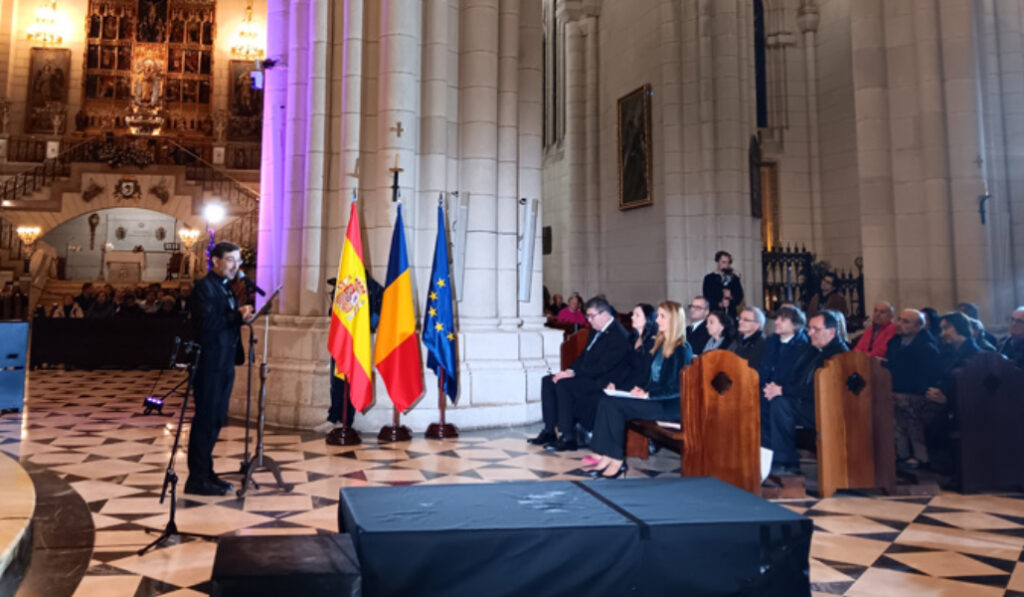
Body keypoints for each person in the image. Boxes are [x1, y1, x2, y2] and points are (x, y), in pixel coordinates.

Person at [586, 300, 694, 478]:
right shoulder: (661, 344)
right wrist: (641, 389)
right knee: (606, 401)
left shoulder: (681, 348)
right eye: (658, 315)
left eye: (662, 316)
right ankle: (604, 455)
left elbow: (677, 387)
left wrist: (648, 394)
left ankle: (617, 460)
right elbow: (653, 379)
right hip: (655, 400)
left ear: (673, 321)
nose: (657, 320)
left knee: (615, 406)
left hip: (668, 406)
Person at [186, 241, 255, 496]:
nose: (235, 266)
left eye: (238, 261)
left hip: (224, 361)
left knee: (216, 419)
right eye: (229, 260)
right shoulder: (203, 288)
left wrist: (241, 315)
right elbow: (207, 323)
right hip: (209, 363)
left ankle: (207, 471)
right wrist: (238, 315)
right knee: (205, 419)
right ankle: (196, 478)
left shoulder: (226, 288)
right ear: (215, 261)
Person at [528, 296, 632, 451]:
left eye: (592, 316)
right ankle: (549, 430)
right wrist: (569, 370)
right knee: (548, 380)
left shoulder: (618, 336)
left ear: (604, 314)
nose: (589, 320)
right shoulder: (597, 330)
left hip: (603, 381)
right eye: (588, 316)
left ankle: (568, 436)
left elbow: (603, 367)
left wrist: (573, 375)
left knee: (564, 384)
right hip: (589, 375)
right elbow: (584, 355)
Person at [762, 310, 849, 476]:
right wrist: (774, 386)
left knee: (781, 404)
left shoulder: (840, 354)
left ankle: (786, 462)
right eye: (810, 329)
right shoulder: (812, 349)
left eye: (816, 329)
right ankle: (768, 457)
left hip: (827, 408)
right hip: (806, 403)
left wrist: (783, 390)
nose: (810, 333)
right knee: (767, 399)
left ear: (831, 331)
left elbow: (821, 387)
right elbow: (794, 375)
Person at [314, 275, 384, 434]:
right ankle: (333, 418)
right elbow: (333, 312)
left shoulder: (370, 287)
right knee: (336, 380)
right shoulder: (345, 281)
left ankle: (346, 420)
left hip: (355, 340)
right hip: (341, 338)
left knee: (350, 381)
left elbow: (374, 318)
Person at [886, 309, 941, 469]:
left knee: (905, 406)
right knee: (889, 405)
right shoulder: (894, 343)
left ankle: (920, 456)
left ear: (918, 327)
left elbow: (929, 376)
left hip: (921, 395)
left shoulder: (927, 347)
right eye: (900, 320)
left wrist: (904, 391)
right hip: (897, 392)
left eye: (906, 322)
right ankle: (901, 454)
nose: (900, 324)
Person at [759, 306, 810, 446]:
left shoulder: (803, 345)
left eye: (783, 319)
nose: (777, 322)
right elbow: (765, 368)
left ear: (795, 324)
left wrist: (777, 388)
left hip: (790, 394)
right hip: (767, 390)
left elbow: (797, 375)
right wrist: (767, 387)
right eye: (777, 318)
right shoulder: (771, 342)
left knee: (776, 405)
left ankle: (782, 459)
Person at [702, 251, 744, 318]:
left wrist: (731, 296)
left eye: (728, 262)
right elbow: (707, 297)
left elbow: (739, 297)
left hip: (730, 314)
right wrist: (719, 304)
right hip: (715, 313)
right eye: (724, 262)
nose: (726, 265)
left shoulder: (734, 279)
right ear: (718, 263)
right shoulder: (709, 278)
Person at [626, 303, 658, 388]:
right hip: (627, 384)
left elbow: (645, 374)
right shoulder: (631, 338)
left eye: (637, 315)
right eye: (633, 314)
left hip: (640, 387)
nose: (632, 317)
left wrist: (623, 387)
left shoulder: (652, 342)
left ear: (647, 319)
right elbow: (624, 366)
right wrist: (614, 383)